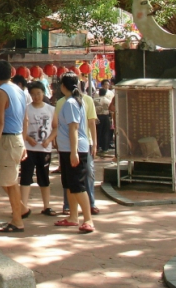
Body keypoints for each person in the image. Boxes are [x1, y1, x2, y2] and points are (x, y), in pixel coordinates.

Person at [45, 72, 94, 233]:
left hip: (75, 149)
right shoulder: (70, 102)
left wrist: (74, 152)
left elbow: (73, 128)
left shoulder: (71, 103)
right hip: (67, 149)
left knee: (77, 185)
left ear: (63, 86)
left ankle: (88, 219)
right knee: (69, 184)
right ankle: (73, 217)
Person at [0, 60, 28, 233]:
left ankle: (17, 220)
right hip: (17, 137)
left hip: (7, 140)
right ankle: (21, 208)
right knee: (3, 177)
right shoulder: (19, 90)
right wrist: (24, 142)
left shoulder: (0, 92)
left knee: (10, 182)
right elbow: (25, 119)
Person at [21, 81, 57, 215]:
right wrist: (28, 138)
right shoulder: (26, 109)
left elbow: (55, 127)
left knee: (44, 178)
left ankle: (46, 206)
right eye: (33, 94)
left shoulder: (50, 109)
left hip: (44, 149)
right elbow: (21, 128)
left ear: (43, 93)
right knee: (25, 177)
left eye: (39, 93)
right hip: (28, 149)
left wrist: (49, 140)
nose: (36, 96)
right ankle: (23, 206)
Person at [94, 80, 114, 154]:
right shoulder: (107, 101)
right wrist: (111, 118)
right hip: (105, 116)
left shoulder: (94, 100)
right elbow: (111, 109)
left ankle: (97, 146)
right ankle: (105, 147)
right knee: (106, 132)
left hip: (97, 116)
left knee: (97, 132)